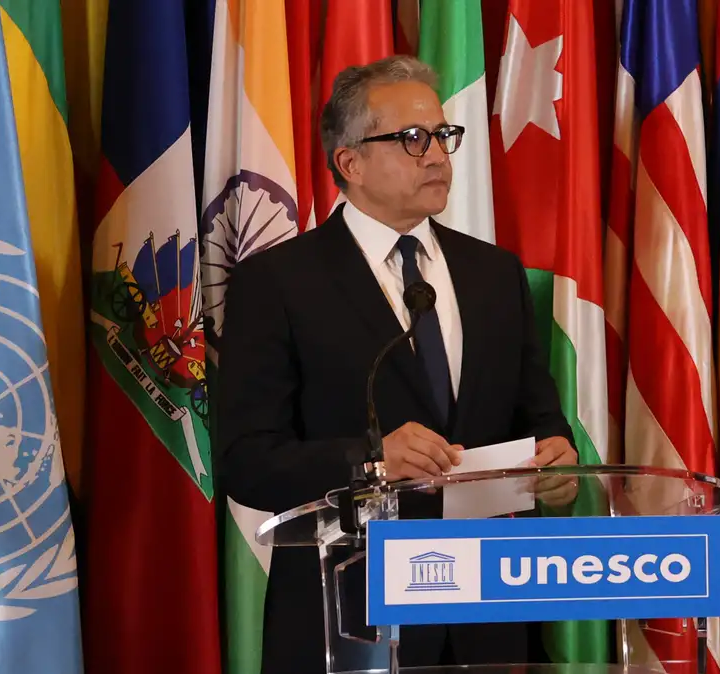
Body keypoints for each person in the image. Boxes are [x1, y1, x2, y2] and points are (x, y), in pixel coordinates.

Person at [215, 55, 579, 673]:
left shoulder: (494, 274)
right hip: (350, 623)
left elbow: (538, 415)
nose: (437, 155)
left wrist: (558, 461)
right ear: (350, 163)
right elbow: (245, 462)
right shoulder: (277, 283)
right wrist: (373, 461)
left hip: (486, 617)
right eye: (413, 138)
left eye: (443, 135)